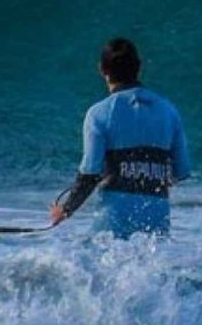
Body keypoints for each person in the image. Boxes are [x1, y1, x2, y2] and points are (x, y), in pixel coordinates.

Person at [49, 38, 191, 238]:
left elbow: (90, 174)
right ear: (139, 68)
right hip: (156, 217)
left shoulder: (99, 113)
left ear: (102, 69)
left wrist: (65, 210)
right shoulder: (168, 110)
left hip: (114, 218)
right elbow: (181, 171)